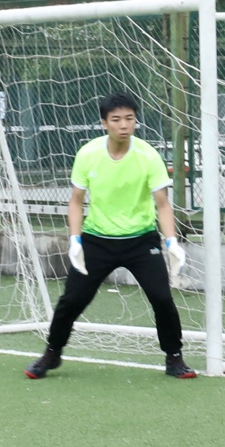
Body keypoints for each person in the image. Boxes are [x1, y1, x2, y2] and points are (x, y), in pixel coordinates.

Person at [25, 92, 197, 380]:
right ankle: (51, 354)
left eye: (129, 118)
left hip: (141, 240)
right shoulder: (88, 154)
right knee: (72, 300)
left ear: (136, 121)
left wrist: (172, 242)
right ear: (104, 123)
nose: (124, 125)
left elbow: (163, 205)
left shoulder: (148, 156)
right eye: (116, 119)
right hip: (97, 241)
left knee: (161, 298)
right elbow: (76, 201)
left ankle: (174, 358)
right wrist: (75, 240)